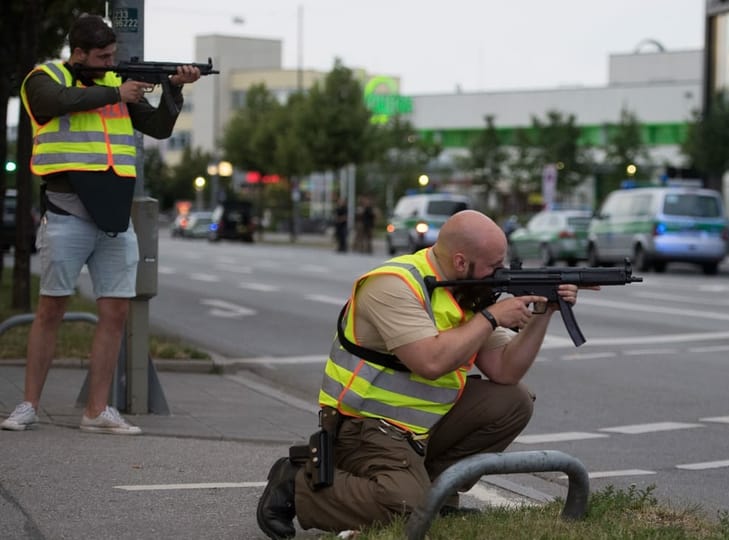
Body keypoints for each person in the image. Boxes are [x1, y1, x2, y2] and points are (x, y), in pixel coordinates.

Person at [256, 210, 585, 538]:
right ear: (460, 262)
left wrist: (544, 312)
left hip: (418, 427)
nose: (499, 273)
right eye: (493, 265)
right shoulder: (394, 285)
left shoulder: (464, 291)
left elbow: (506, 370)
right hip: (364, 427)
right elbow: (429, 362)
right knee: (405, 511)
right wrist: (491, 318)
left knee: (514, 401)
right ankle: (298, 482)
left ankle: (436, 495)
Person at [0, 15, 201, 434]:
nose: (112, 61)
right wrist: (114, 91)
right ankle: (28, 405)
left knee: (114, 313)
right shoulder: (45, 77)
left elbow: (160, 128)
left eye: (113, 55)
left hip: (113, 216)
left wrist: (174, 88)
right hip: (66, 210)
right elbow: (49, 104)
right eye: (103, 56)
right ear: (78, 53)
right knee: (51, 308)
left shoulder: (118, 84)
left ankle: (96, 411)